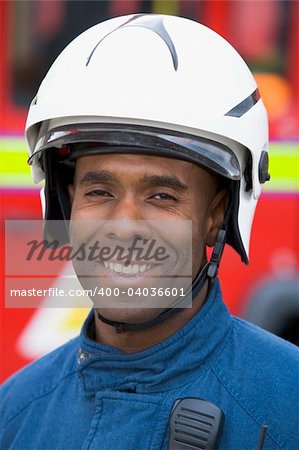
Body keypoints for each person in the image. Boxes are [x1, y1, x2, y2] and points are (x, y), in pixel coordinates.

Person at [1, 14, 298, 450]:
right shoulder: (15, 414)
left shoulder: (288, 406)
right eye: (99, 191)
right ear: (67, 204)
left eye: (161, 196)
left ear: (217, 214)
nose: (123, 227)